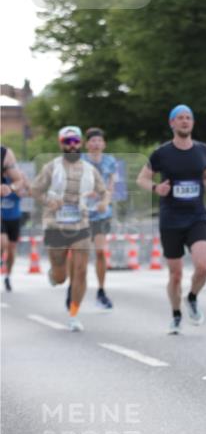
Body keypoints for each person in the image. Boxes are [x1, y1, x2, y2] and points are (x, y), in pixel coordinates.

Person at [136, 105, 206, 334]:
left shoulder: (202, 149)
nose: (185, 121)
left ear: (192, 123)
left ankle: (192, 297)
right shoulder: (162, 153)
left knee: (203, 266)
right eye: (180, 118)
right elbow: (141, 179)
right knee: (175, 275)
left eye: (188, 118)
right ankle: (175, 314)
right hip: (171, 220)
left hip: (196, 217)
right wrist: (156, 187)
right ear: (172, 123)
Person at [31, 126, 110, 332]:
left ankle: (74, 313)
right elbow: (35, 190)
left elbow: (104, 191)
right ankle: (55, 273)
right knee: (61, 277)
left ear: (80, 143)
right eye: (68, 141)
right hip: (56, 226)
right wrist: (48, 200)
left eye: (75, 141)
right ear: (61, 144)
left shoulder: (90, 169)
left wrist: (104, 202)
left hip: (81, 224)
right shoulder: (51, 167)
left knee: (81, 270)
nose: (72, 145)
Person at [80, 127, 117, 310]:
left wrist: (105, 200)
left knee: (100, 251)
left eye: (99, 141)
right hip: (83, 213)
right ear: (87, 145)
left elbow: (111, 186)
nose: (96, 144)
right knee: (82, 254)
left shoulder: (110, 161)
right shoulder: (80, 161)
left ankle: (101, 291)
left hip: (102, 213)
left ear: (104, 144)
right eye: (92, 141)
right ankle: (75, 288)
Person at [1, 145, 28, 291]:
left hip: (14, 217)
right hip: (1, 217)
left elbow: (24, 190)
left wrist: (13, 187)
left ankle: (8, 276)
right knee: (2, 242)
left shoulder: (15, 177)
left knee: (11, 249)